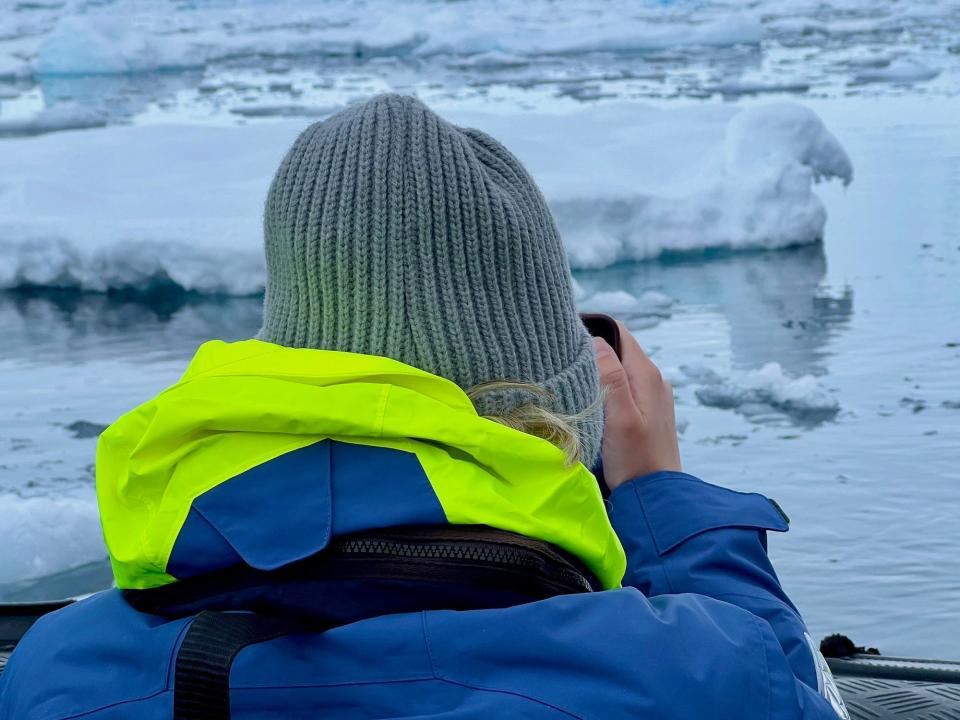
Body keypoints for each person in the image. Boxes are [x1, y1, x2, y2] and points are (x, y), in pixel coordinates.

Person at [0, 94, 848, 719]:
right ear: (554, 422)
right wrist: (661, 496)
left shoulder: (54, 673)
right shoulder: (686, 676)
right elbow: (788, 684)